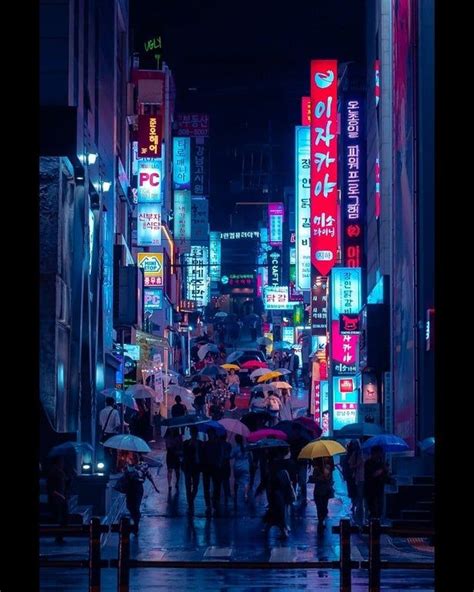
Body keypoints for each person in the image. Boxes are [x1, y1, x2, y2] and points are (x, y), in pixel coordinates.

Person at [122, 452, 159, 534]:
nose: (132, 459)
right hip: (130, 488)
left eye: (134, 457)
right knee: (129, 505)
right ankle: (135, 518)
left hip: (138, 487)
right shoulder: (128, 466)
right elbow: (125, 476)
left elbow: (149, 475)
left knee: (136, 506)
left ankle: (136, 525)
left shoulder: (143, 465)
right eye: (131, 458)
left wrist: (155, 486)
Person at [201, 427, 224, 514]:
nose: (210, 435)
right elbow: (202, 456)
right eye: (209, 434)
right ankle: (208, 504)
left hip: (215, 467)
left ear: (214, 435)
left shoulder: (218, 444)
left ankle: (215, 502)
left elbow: (220, 455)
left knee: (216, 486)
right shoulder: (205, 445)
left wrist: (219, 463)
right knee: (206, 487)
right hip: (207, 467)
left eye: (211, 434)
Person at [364, 445, 390, 520]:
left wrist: (386, 470)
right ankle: (372, 520)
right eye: (378, 453)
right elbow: (373, 474)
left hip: (379, 487)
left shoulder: (381, 463)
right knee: (372, 507)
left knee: (379, 506)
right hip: (371, 488)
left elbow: (385, 475)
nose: (380, 455)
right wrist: (382, 469)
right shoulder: (368, 463)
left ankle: (377, 519)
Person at [46, 456, 69, 543]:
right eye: (61, 462)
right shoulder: (53, 472)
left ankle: (60, 536)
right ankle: (59, 536)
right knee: (60, 518)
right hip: (56, 499)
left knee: (64, 518)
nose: (62, 464)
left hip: (62, 498)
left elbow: (64, 484)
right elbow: (51, 488)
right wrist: (59, 495)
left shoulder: (60, 472)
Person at [181, 426, 202, 515]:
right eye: (192, 433)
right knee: (188, 485)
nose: (193, 434)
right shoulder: (186, 443)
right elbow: (183, 454)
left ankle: (191, 499)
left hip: (196, 467)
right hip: (188, 466)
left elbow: (201, 456)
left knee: (196, 485)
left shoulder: (200, 443)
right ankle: (190, 502)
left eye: (194, 433)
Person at [311, 457, 335, 531]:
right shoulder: (316, 469)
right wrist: (320, 477)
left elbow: (330, 479)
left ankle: (322, 519)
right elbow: (314, 479)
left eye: (327, 457)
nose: (326, 459)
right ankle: (320, 521)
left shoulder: (328, 467)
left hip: (325, 490)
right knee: (319, 506)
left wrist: (327, 477)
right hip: (318, 490)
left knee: (324, 506)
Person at [99, 397, 121, 472]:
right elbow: (118, 424)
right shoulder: (115, 412)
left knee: (106, 451)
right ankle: (113, 468)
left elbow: (100, 423)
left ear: (106, 403)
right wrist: (115, 429)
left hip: (105, 434)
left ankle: (106, 468)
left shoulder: (102, 411)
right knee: (114, 452)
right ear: (113, 403)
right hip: (113, 434)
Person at [349, 439, 365, 525]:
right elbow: (350, 463)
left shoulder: (363, 453)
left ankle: (360, 512)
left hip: (363, 477)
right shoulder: (355, 454)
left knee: (361, 495)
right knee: (359, 495)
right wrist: (357, 464)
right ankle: (359, 513)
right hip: (358, 477)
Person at [231, 434, 251, 503]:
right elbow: (250, 457)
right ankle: (245, 495)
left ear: (236, 440)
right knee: (246, 482)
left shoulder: (235, 448)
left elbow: (231, 456)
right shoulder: (246, 448)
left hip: (237, 467)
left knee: (236, 481)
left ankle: (235, 495)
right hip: (245, 466)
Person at [165, 428, 183, 492]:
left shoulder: (179, 437)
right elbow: (167, 447)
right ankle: (169, 485)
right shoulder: (168, 437)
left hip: (176, 455)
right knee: (170, 470)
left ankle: (177, 482)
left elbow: (181, 446)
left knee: (177, 471)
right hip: (170, 454)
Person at [220, 433, 232, 503]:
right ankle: (227, 494)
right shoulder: (228, 445)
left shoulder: (219, 444)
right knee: (226, 480)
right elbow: (228, 455)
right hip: (226, 464)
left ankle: (225, 494)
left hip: (221, 464)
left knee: (220, 480)